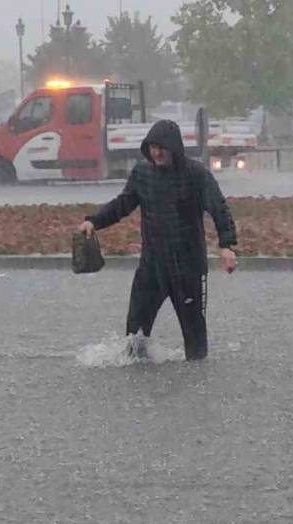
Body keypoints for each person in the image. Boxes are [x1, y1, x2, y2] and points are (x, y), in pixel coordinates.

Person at [77, 119, 238, 361]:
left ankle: (197, 375)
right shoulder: (142, 173)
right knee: (135, 330)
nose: (157, 152)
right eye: (152, 147)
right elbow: (123, 204)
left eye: (162, 147)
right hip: (152, 265)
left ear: (175, 148)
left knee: (193, 332)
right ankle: (136, 368)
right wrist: (94, 221)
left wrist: (227, 245)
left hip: (188, 267)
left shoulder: (196, 174)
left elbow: (219, 208)